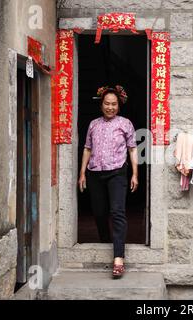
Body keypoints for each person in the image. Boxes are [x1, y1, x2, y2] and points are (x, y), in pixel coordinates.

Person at [78, 85, 139, 279]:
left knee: (117, 212)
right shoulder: (93, 124)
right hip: (95, 172)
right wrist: (82, 173)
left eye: (113, 104)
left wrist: (135, 174)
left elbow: (132, 149)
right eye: (107, 103)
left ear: (119, 106)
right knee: (98, 211)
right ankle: (106, 242)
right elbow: (87, 148)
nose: (110, 107)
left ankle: (118, 258)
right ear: (101, 104)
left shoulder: (125, 123)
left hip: (117, 172)